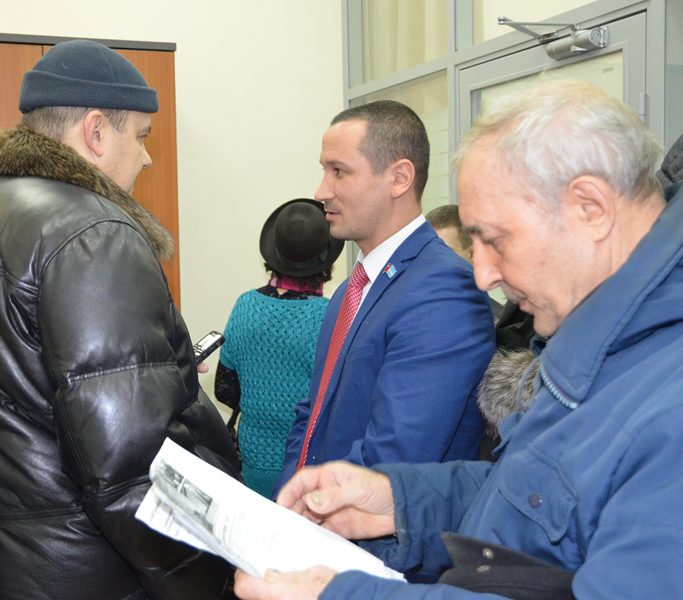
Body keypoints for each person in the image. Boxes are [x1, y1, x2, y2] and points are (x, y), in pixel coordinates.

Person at [233, 79, 683, 600]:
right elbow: (530, 496)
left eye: (495, 239)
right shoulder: (597, 340)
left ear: (591, 209)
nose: (483, 275)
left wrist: (342, 595)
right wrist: (402, 500)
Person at [0, 40, 240, 600]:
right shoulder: (93, 233)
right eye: (141, 136)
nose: (147, 158)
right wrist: (213, 580)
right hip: (80, 575)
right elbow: (132, 468)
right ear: (97, 131)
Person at [273, 101, 495, 497]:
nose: (321, 192)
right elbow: (313, 413)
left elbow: (398, 453)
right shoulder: (352, 288)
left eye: (339, 171)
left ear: (399, 178)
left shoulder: (444, 291)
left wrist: (310, 507)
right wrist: (286, 500)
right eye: (324, 170)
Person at [214, 198, 344, 499]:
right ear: (325, 260)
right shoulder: (330, 315)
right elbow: (338, 403)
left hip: (252, 465)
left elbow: (224, 391)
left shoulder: (245, 305)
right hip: (307, 470)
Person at [426, 204, 503, 321]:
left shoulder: (496, 323)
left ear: (472, 255)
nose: (432, 261)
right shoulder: (406, 311)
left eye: (445, 252)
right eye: (426, 252)